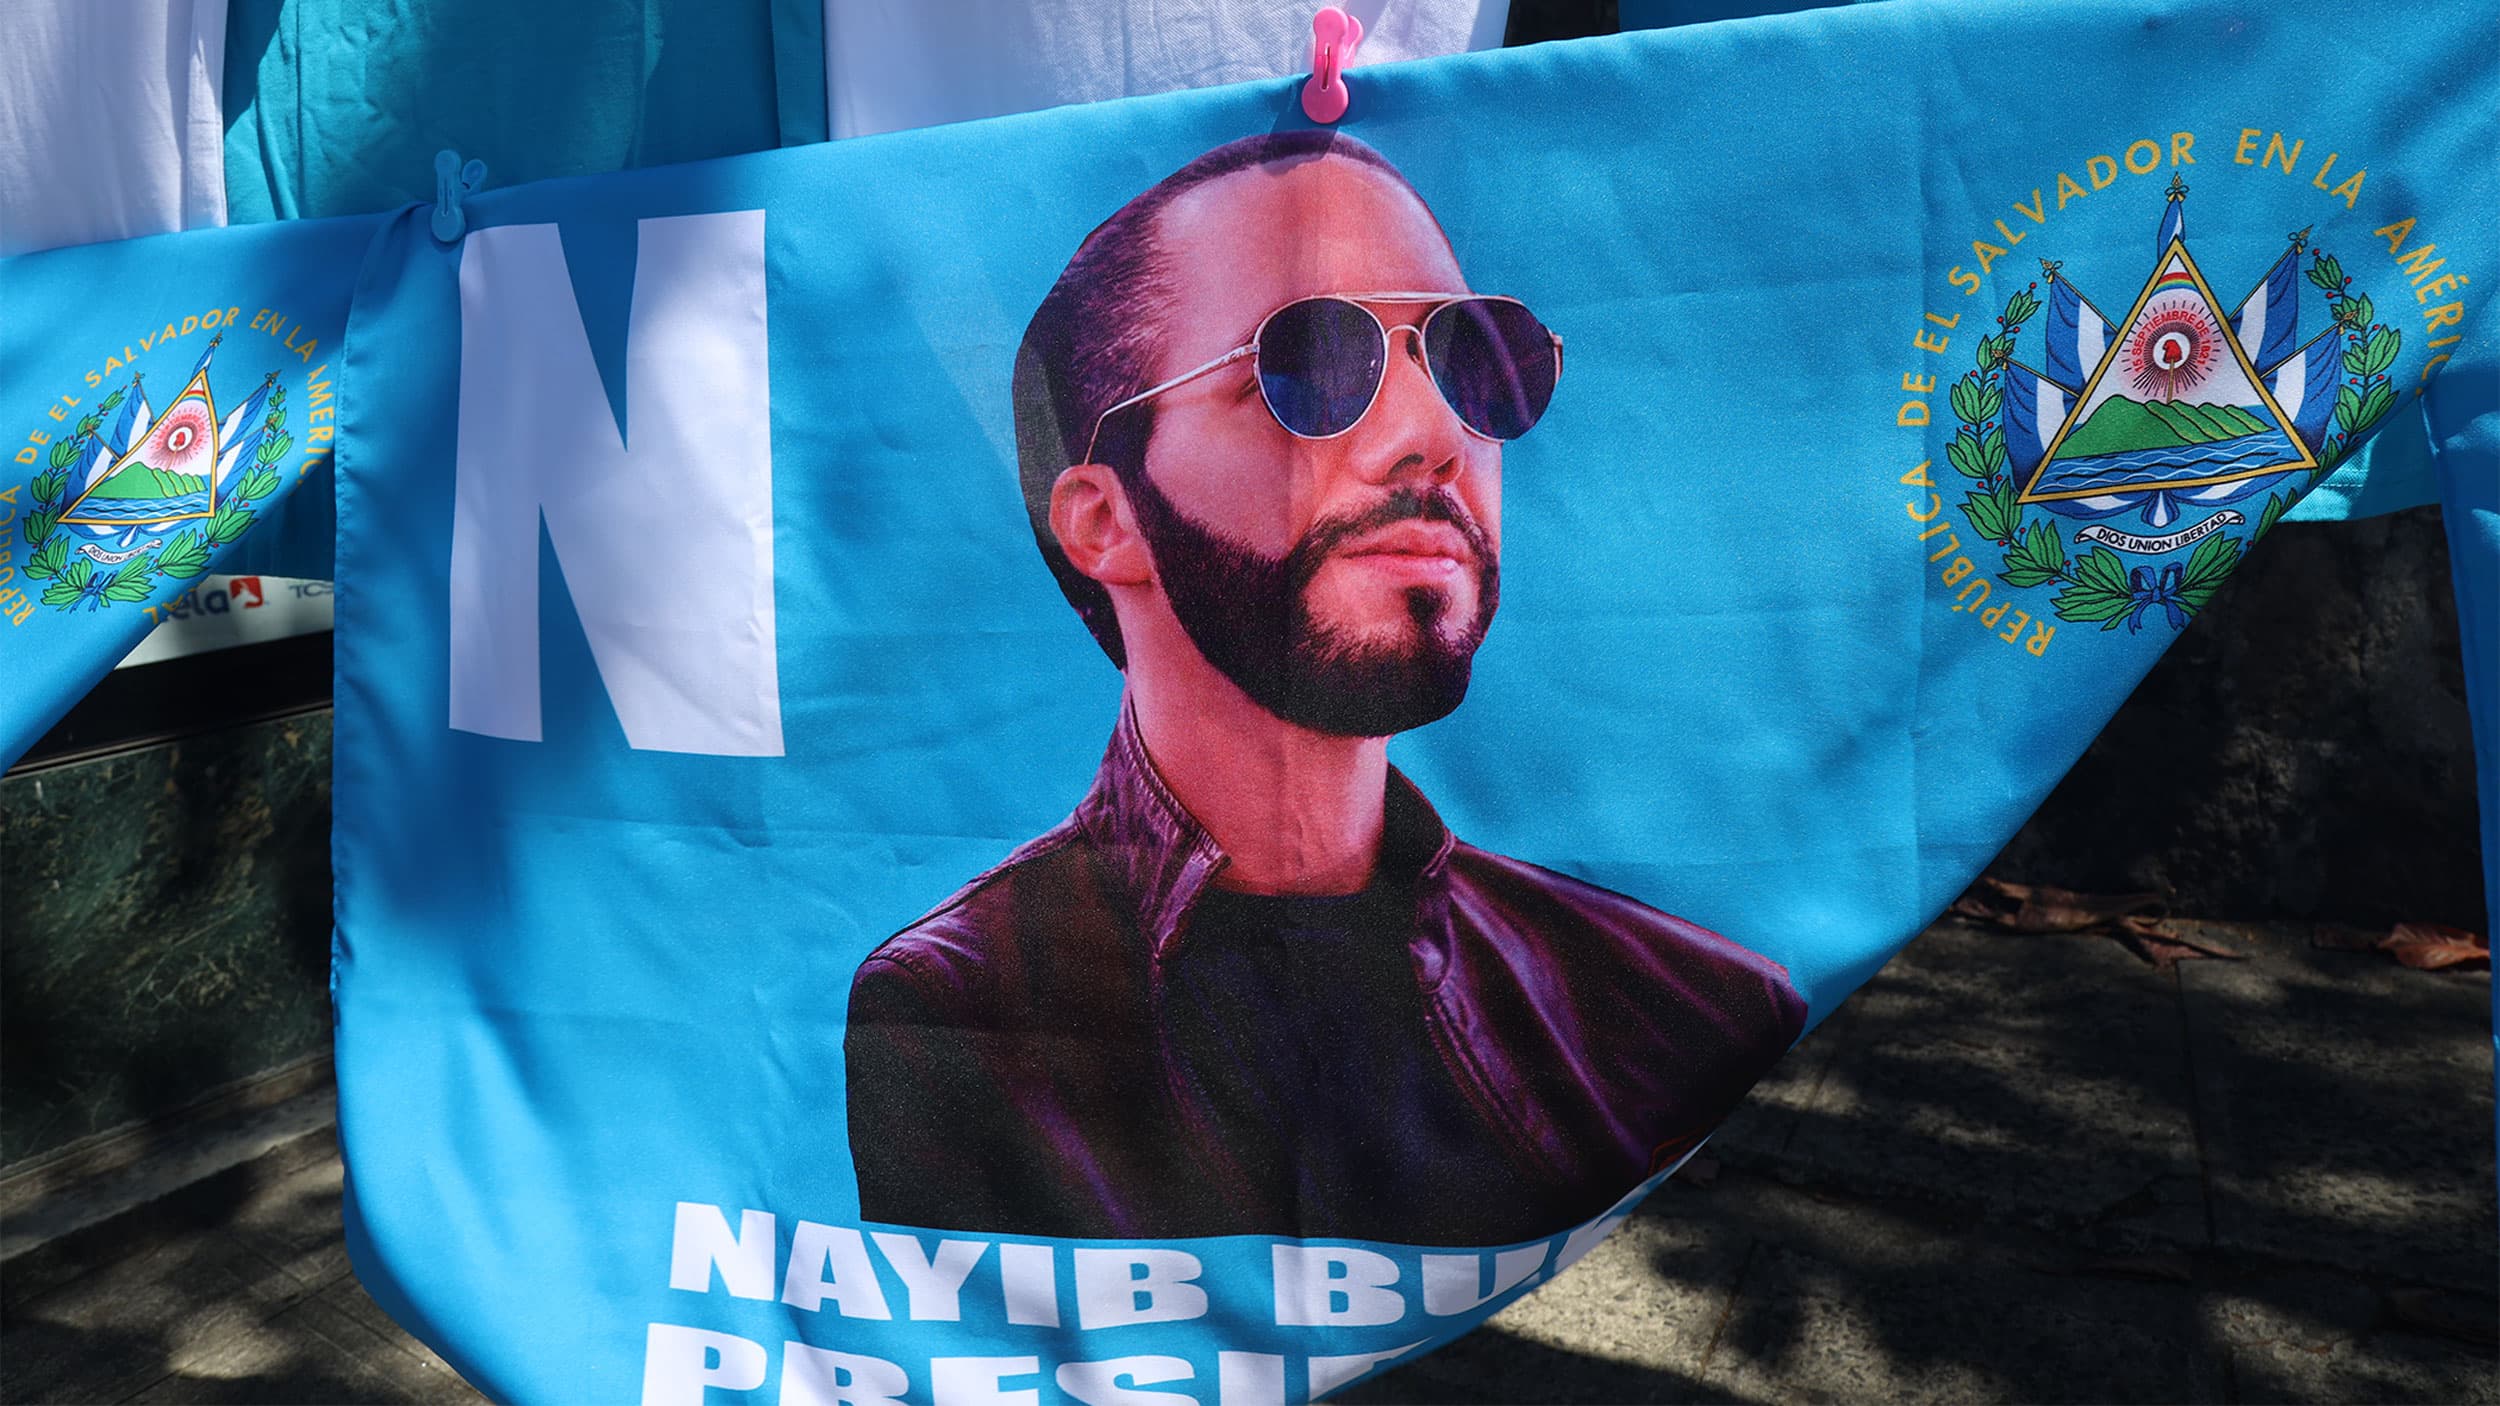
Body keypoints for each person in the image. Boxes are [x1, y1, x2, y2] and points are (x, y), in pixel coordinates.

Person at [844, 130, 1807, 1245]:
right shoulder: (950, 1015)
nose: (1433, 438)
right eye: (1306, 367)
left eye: (1473, 362)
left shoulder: (1678, 1009)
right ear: (1106, 519)